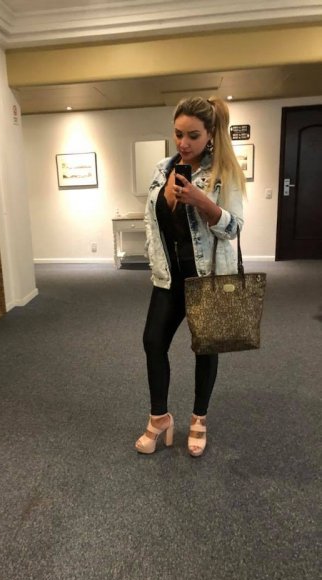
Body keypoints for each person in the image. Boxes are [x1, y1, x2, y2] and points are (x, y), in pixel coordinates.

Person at [135, 96, 246, 457]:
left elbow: (234, 227)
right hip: (169, 277)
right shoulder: (162, 168)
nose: (183, 143)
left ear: (211, 134)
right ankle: (159, 418)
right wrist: (165, 203)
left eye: (193, 136)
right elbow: (152, 220)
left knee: (204, 349)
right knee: (153, 342)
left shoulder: (224, 172)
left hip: (206, 278)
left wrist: (202, 201)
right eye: (178, 134)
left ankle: (199, 418)